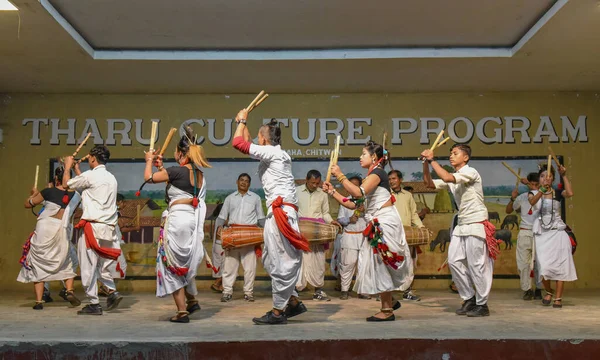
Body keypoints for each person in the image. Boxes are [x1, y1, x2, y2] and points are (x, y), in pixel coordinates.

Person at [232, 110, 309, 325]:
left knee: (281, 260)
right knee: (270, 258)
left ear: (264, 139)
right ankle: (292, 301)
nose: (256, 139)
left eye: (259, 136)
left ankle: (277, 312)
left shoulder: (274, 153)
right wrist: (243, 122)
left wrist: (242, 120)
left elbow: (238, 143)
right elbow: (246, 144)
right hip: (279, 212)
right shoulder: (273, 153)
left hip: (281, 213)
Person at [323, 140, 411, 322]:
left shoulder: (378, 173)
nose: (360, 157)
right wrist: (333, 192)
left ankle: (387, 310)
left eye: (363, 154)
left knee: (380, 262)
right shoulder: (371, 176)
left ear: (374, 157)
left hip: (384, 223)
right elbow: (353, 203)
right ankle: (390, 300)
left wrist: (340, 176)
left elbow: (358, 193)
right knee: (376, 262)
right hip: (378, 223)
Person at [422, 143, 497, 317]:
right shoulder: (455, 176)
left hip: (476, 222)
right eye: (450, 153)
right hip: (462, 224)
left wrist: (432, 160)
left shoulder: (471, 172)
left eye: (455, 153)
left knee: (477, 265)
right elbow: (429, 184)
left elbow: (447, 178)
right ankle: (469, 298)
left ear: (466, 157)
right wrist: (425, 163)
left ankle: (482, 304)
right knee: (454, 261)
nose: (451, 156)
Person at [144, 126, 211, 323]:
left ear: (181, 153)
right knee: (183, 260)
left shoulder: (176, 171)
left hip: (177, 220)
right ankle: (191, 301)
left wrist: (149, 160)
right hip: (190, 219)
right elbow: (175, 184)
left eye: (176, 152)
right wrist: (161, 168)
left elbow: (148, 179)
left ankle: (182, 311)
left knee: (171, 262)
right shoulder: (199, 174)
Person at [63, 145, 124, 315]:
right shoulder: (111, 178)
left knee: (88, 265)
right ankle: (112, 291)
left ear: (92, 158)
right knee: (103, 264)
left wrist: (68, 166)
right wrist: (78, 170)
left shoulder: (90, 176)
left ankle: (94, 303)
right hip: (108, 227)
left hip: (92, 226)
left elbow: (66, 184)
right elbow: (86, 185)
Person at [18, 167, 81, 310]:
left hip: (45, 228)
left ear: (56, 179)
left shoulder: (48, 192)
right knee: (67, 259)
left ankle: (39, 301)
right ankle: (69, 291)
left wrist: (33, 195)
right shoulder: (77, 196)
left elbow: (28, 204)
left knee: (39, 261)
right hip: (62, 229)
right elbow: (61, 203)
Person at [530, 164, 576, 308]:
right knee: (544, 267)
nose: (546, 179)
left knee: (560, 266)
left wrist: (564, 175)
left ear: (553, 179)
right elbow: (532, 202)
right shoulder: (533, 193)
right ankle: (548, 291)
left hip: (557, 232)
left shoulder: (557, 192)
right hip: (542, 234)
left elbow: (570, 193)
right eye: (543, 176)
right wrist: (541, 191)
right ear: (539, 179)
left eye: (549, 176)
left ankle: (558, 297)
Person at [217, 173, 265, 302]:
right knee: (229, 266)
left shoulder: (255, 198)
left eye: (246, 181)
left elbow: (261, 217)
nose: (244, 183)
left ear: (249, 184)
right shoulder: (229, 198)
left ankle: (248, 292)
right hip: (232, 236)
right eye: (241, 180)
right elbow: (221, 217)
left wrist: (266, 232)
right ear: (237, 182)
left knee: (250, 267)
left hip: (250, 236)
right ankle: (227, 292)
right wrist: (219, 229)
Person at [296, 170, 339, 301]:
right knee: (299, 261)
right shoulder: (296, 191)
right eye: (312, 183)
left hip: (318, 231)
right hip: (301, 230)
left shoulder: (322, 194)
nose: (315, 185)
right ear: (306, 180)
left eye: (317, 183)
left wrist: (331, 221)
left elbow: (325, 213)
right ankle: (295, 291)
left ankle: (318, 291)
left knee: (319, 261)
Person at [506, 172, 543, 300]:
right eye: (531, 184)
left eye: (536, 184)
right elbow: (509, 210)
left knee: (540, 263)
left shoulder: (544, 196)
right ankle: (527, 289)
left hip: (540, 232)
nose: (533, 186)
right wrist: (512, 198)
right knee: (523, 264)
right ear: (528, 184)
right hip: (525, 231)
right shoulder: (522, 197)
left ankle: (539, 288)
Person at [389, 170, 423, 301]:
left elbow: (414, 214)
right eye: (390, 179)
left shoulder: (408, 195)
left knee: (408, 264)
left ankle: (408, 292)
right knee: (391, 263)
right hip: (391, 234)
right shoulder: (386, 195)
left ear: (400, 180)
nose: (392, 181)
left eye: (394, 178)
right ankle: (388, 294)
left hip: (408, 234)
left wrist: (421, 227)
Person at [336, 176, 369, 300]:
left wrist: (364, 212)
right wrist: (349, 219)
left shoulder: (366, 201)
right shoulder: (345, 201)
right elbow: (339, 219)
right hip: (349, 236)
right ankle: (344, 290)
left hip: (363, 237)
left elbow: (373, 217)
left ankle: (362, 290)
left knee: (363, 265)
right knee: (347, 264)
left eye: (356, 186)